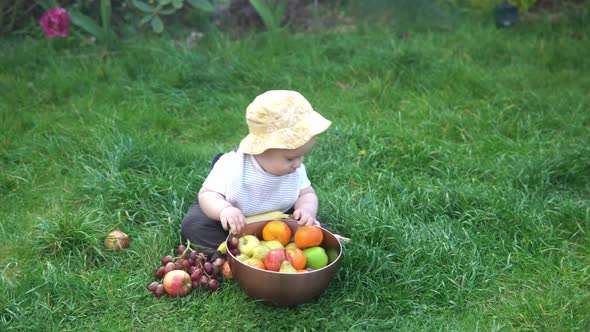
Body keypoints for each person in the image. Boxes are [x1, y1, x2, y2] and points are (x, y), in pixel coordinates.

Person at [180, 90, 332, 266]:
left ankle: (290, 256)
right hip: (234, 220)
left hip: (277, 221)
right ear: (261, 148)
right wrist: (224, 210)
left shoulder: (295, 168)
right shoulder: (232, 165)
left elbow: (306, 193)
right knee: (195, 224)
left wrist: (307, 210)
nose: (298, 163)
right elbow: (207, 195)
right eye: (291, 158)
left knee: (316, 229)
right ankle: (222, 257)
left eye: (302, 156)